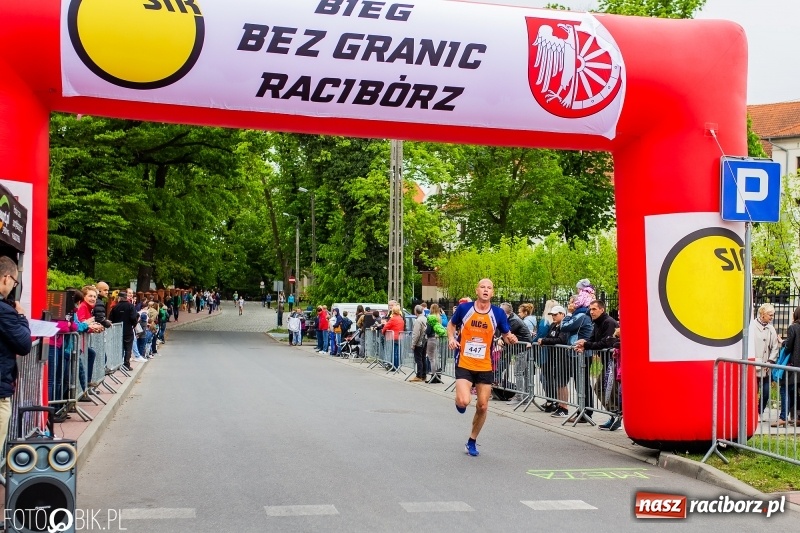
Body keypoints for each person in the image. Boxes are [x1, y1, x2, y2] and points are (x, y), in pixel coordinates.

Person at [447, 279, 517, 457]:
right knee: (464, 401)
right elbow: (451, 324)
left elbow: (506, 334)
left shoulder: (498, 313)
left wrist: (511, 338)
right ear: (476, 290)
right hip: (464, 362)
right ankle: (459, 401)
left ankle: (472, 440)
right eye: (483, 287)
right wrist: (451, 338)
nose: (486, 290)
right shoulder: (465, 309)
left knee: (483, 406)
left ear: (492, 293)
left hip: (485, 364)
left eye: (489, 288)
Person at [0, 256, 31, 444]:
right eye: (14, 281)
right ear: (6, 278)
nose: (13, 286)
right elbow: (24, 344)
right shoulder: (4, 311)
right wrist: (21, 317)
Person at [747, 303, 780, 417]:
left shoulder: (771, 329)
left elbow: (775, 347)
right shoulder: (752, 326)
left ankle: (759, 411)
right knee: (753, 390)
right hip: (754, 364)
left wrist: (770, 361)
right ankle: (753, 413)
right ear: (762, 314)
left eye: (773, 315)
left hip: (766, 366)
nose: (772, 317)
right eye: (770, 315)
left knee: (766, 392)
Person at [537, 305, 570, 418]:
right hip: (553, 358)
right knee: (558, 383)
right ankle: (559, 405)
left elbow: (561, 340)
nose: (553, 317)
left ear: (562, 314)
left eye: (556, 314)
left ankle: (564, 408)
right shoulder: (553, 325)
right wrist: (543, 340)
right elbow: (548, 337)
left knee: (562, 383)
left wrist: (545, 341)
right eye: (552, 315)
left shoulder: (564, 326)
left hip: (562, 358)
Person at [773, 306, 800, 427]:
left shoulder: (793, 327)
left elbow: (789, 346)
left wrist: (782, 341)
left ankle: (783, 417)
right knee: (795, 391)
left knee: (785, 389)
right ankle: (797, 417)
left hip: (792, 365)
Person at [110, 288, 140, 367]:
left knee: (119, 347)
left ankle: (118, 363)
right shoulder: (130, 306)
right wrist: (134, 324)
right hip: (128, 329)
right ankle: (126, 364)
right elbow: (133, 317)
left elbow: (111, 318)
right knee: (128, 348)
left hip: (117, 330)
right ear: (126, 298)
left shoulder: (115, 307)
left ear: (119, 298)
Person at [426, 303, 447, 383]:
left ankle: (433, 375)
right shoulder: (439, 317)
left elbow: (428, 330)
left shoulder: (431, 318)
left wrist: (425, 331)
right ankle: (437, 376)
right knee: (435, 357)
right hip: (437, 338)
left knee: (431, 358)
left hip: (431, 338)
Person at [410, 305, 427, 382]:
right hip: (424, 341)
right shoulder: (425, 318)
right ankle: (424, 375)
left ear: (416, 311)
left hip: (419, 342)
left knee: (418, 359)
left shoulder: (418, 320)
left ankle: (419, 375)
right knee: (423, 358)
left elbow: (416, 333)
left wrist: (413, 344)